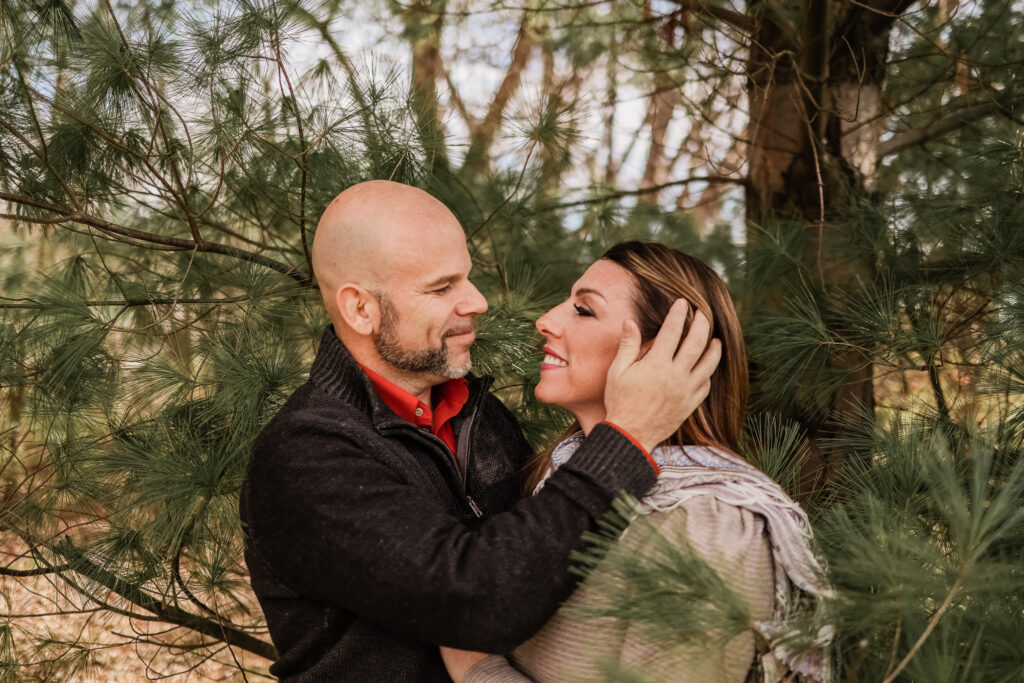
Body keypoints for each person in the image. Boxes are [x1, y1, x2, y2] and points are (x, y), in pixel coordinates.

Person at [239, 182, 722, 681]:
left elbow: (549, 558)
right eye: (441, 288)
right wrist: (627, 438)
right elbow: (477, 598)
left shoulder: (479, 414)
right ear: (361, 309)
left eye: (467, 278)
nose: (478, 302)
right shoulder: (305, 454)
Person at [442, 242, 831, 683]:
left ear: (664, 353)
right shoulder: (558, 473)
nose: (545, 321)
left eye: (584, 310)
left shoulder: (706, 522)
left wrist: (477, 668)